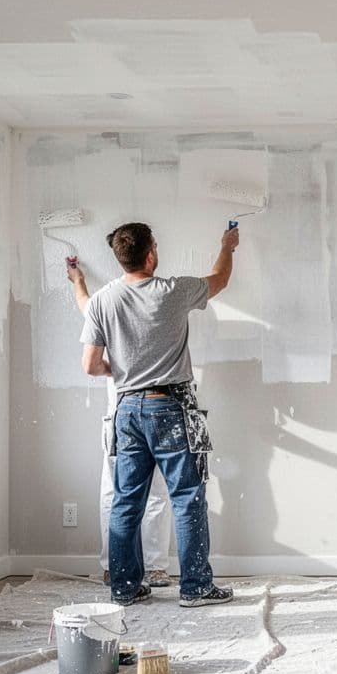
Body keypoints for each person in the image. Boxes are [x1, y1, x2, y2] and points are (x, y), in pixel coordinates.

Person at [80, 222, 238, 607]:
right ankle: (196, 588)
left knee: (126, 500)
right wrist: (227, 245)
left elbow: (90, 365)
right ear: (150, 255)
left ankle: (125, 588)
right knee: (186, 496)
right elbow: (219, 279)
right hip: (171, 407)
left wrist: (123, 372)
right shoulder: (172, 291)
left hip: (126, 410)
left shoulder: (101, 301)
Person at [67, 261, 173, 590]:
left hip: (120, 414)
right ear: (148, 257)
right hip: (150, 410)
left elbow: (87, 307)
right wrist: (78, 281)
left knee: (116, 492)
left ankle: (116, 567)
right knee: (152, 491)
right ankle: (152, 568)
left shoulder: (107, 303)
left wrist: (78, 281)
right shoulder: (159, 302)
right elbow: (87, 307)